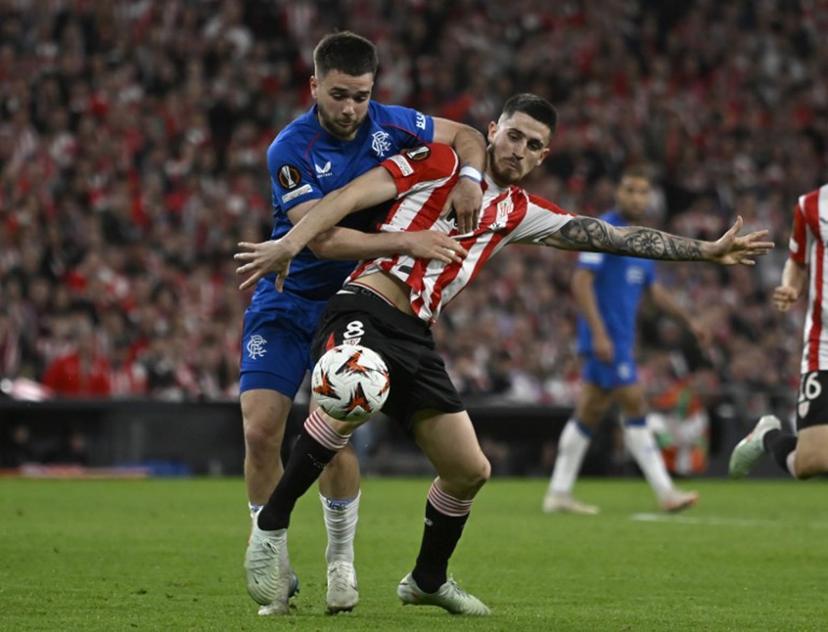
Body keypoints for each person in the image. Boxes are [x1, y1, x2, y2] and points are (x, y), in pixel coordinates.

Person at [236, 93, 772, 616]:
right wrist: (290, 242)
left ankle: (426, 580)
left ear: (543, 157)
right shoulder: (438, 160)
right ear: (492, 131)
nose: (518, 149)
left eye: (532, 144)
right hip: (364, 302)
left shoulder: (520, 211)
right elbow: (348, 198)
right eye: (512, 134)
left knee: (470, 470)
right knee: (354, 388)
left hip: (415, 334)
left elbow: (611, 235)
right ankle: (272, 524)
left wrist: (703, 250)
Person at [239, 31, 485, 615]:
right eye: (340, 96)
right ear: (314, 87)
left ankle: (340, 561)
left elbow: (470, 136)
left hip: (353, 303)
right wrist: (407, 240)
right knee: (259, 430)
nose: (351, 109)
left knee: (338, 414)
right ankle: (273, 559)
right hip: (289, 299)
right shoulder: (289, 149)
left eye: (362, 96)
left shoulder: (392, 122)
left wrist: (472, 179)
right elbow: (319, 240)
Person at [542, 167, 706, 515]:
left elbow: (654, 291)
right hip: (607, 339)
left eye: (643, 192)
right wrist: (599, 333)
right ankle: (665, 492)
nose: (637, 197)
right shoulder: (604, 229)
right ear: (618, 192)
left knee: (589, 411)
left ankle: (558, 493)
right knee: (634, 402)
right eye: (630, 190)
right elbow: (581, 282)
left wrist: (689, 320)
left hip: (620, 340)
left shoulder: (640, 239)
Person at [729, 183, 828, 480]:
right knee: (809, 464)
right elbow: (797, 263)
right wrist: (790, 287)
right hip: (824, 345)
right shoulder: (811, 205)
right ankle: (767, 436)